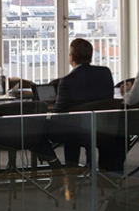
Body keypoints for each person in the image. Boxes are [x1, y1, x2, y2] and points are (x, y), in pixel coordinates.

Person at [49, 39, 120, 170]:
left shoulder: (67, 81)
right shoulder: (105, 73)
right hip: (104, 128)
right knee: (74, 122)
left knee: (67, 125)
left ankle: (69, 170)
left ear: (71, 57)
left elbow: (58, 114)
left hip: (78, 132)